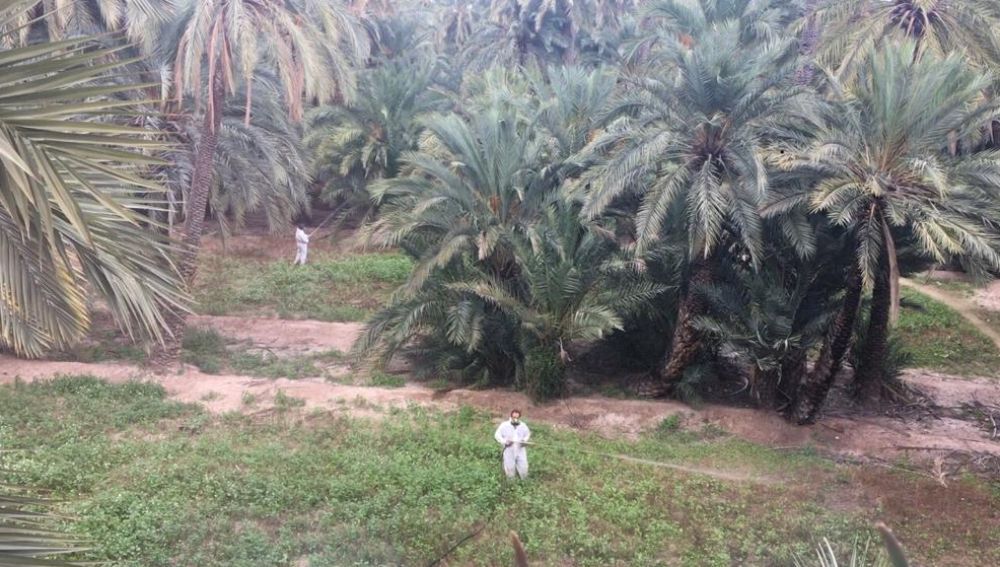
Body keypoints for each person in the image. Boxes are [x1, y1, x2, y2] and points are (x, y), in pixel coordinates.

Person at [494, 409, 530, 479]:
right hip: (509, 449)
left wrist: (524, 440)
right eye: (514, 416)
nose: (515, 418)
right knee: (509, 466)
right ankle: (511, 482)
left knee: (523, 466)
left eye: (517, 416)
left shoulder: (523, 425)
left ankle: (524, 480)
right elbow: (497, 435)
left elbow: (527, 434)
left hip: (520, 449)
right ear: (511, 415)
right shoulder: (504, 425)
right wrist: (504, 441)